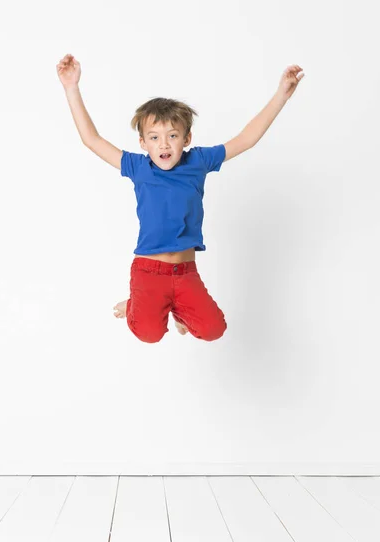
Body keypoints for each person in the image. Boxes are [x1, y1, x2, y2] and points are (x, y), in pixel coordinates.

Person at [56, 54, 304, 343]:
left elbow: (246, 139)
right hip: (149, 272)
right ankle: (138, 304)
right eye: (154, 137)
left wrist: (281, 96)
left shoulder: (198, 161)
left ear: (186, 139)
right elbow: (92, 139)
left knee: (214, 330)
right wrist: (71, 87)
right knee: (148, 334)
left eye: (172, 136)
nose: (164, 144)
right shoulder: (138, 167)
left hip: (185, 272)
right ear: (143, 143)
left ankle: (179, 312)